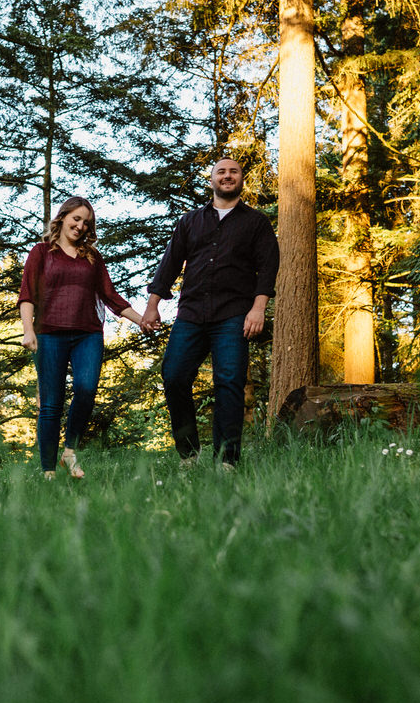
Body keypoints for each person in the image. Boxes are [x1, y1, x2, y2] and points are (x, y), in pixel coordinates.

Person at [140, 157, 279, 469]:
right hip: (191, 313)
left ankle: (226, 462)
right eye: (221, 172)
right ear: (212, 179)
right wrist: (152, 306)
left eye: (233, 172)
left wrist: (258, 309)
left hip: (234, 314)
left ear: (242, 179)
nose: (227, 176)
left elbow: (268, 269)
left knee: (228, 381)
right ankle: (189, 454)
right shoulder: (190, 221)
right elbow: (169, 265)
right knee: (174, 375)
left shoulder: (256, 223)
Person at [19, 196, 155, 479]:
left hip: (87, 334)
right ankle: (48, 470)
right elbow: (27, 294)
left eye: (86, 223)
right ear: (63, 218)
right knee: (52, 404)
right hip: (49, 334)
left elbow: (110, 296)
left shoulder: (92, 258)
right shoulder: (41, 252)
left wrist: (141, 319)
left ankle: (70, 451)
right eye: (76, 219)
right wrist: (28, 330)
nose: (80, 226)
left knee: (86, 388)